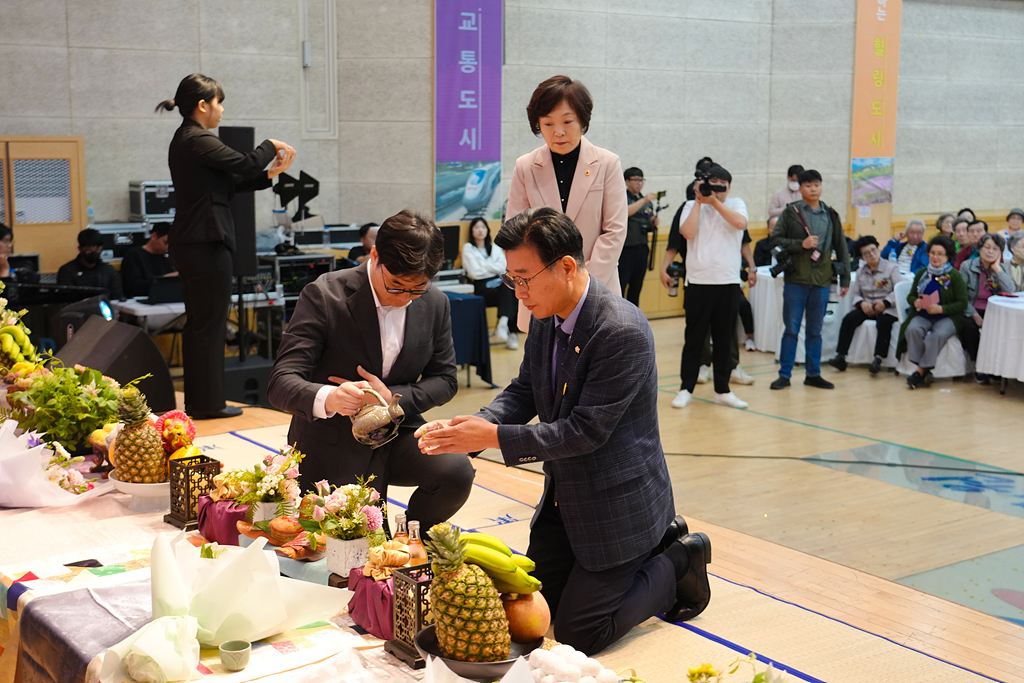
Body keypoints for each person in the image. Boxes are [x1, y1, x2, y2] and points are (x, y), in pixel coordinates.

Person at [414, 207, 710, 656]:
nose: (519, 291)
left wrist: (490, 439)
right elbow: (526, 389)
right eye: (512, 279)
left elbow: (583, 433)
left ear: (567, 266)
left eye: (525, 278)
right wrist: (476, 425)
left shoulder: (621, 331)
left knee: (577, 633)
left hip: (617, 506)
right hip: (566, 497)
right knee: (527, 611)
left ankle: (677, 558)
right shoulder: (545, 314)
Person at [268, 210, 475, 531]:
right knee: (354, 541)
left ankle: (411, 537)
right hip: (332, 439)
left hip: (398, 431)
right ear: (374, 255)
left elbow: (446, 380)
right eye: (396, 286)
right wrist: (331, 398)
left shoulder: (435, 303)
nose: (405, 299)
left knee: (456, 471)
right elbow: (281, 382)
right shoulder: (325, 295)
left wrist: (391, 398)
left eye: (416, 289)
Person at [157, 73, 295, 419]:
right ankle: (207, 404)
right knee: (210, 324)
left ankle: (202, 402)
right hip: (205, 241)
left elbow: (231, 183)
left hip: (194, 241)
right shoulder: (196, 138)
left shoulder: (188, 140)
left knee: (203, 324)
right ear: (203, 105)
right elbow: (247, 162)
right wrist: (270, 143)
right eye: (218, 103)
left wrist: (271, 173)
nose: (221, 110)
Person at [507, 75, 627, 331]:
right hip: (540, 292)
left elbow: (615, 231)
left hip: (597, 287)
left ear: (583, 120)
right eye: (548, 123)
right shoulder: (525, 167)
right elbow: (514, 232)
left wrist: (581, 285)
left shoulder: (607, 163)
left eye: (567, 122)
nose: (558, 132)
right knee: (544, 368)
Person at [671, 163, 750, 410]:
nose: (715, 189)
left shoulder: (736, 203)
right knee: (694, 338)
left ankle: (723, 390)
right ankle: (686, 388)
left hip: (727, 282)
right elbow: (687, 232)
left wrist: (715, 202)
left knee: (725, 340)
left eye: (720, 185)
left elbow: (741, 224)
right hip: (698, 283)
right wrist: (698, 200)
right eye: (710, 184)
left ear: (728, 186)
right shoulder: (689, 206)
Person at [769, 169, 851, 390]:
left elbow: (841, 248)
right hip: (796, 279)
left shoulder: (830, 214)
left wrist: (845, 280)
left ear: (821, 187)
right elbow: (775, 240)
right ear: (801, 188)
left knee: (815, 330)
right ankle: (784, 374)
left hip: (822, 280)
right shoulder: (791, 212)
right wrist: (800, 245)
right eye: (808, 185)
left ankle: (813, 373)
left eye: (817, 185)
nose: (813, 189)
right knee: (791, 330)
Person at [897, 235, 968, 389]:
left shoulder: (955, 276)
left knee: (937, 335)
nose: (935, 257)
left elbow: (963, 303)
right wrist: (914, 302)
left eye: (940, 254)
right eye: (932, 253)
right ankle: (924, 370)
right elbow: (911, 295)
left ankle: (920, 371)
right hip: (924, 314)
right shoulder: (922, 273)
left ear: (948, 256)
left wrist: (942, 308)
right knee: (912, 329)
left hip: (947, 317)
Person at [829, 236, 902, 375]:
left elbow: (899, 289)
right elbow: (855, 294)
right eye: (866, 253)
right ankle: (841, 356)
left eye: (873, 250)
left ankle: (878, 359)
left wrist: (885, 303)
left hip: (887, 307)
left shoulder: (891, 268)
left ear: (878, 249)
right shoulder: (861, 271)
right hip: (868, 307)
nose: (872, 254)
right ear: (862, 257)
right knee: (848, 319)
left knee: (884, 323)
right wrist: (861, 303)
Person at [960, 233, 1015, 384]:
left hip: (994, 310)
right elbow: (961, 297)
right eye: (987, 247)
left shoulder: (1001, 268)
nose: (990, 252)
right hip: (971, 308)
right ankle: (980, 366)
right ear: (980, 249)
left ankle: (996, 367)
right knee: (968, 326)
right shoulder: (967, 266)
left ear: (1000, 253)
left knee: (1005, 327)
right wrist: (975, 316)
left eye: (995, 249)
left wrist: (996, 268)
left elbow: (1011, 290)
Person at [461, 217, 520, 349]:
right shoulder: (468, 248)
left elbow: (503, 268)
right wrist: (493, 267)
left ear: (487, 230)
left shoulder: (495, 248)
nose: (480, 230)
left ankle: (505, 324)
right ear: (472, 231)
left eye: (483, 227)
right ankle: (509, 329)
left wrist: (484, 265)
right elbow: (474, 273)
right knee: (508, 290)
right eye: (476, 227)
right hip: (482, 287)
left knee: (512, 288)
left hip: (500, 283)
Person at [619, 167, 657, 306]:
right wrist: (644, 200)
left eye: (641, 180)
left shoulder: (647, 202)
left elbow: (648, 219)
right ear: (627, 181)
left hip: (641, 247)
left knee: (637, 285)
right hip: (625, 249)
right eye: (636, 180)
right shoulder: (622, 197)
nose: (639, 183)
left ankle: (634, 317)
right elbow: (625, 212)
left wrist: (653, 222)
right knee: (621, 285)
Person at [57, 228, 124, 300]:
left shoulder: (108, 270)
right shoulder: (67, 271)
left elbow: (117, 296)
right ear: (80, 248)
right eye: (89, 248)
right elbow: (66, 299)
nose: (93, 251)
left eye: (97, 248)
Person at [120, 223, 175, 298]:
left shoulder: (165, 258)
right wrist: (164, 279)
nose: (167, 247)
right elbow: (133, 286)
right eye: (165, 242)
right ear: (154, 236)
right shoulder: (133, 255)